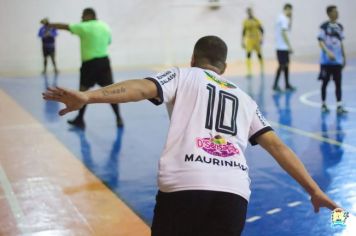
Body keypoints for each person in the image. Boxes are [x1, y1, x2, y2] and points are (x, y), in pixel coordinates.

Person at [43, 36, 339, 236]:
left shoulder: (183, 75)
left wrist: (87, 96)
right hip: (234, 194)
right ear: (223, 67)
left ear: (193, 59)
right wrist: (313, 189)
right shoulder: (245, 98)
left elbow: (140, 88)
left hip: (185, 185)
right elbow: (277, 145)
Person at [40, 8, 123, 129]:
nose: (81, 19)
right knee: (110, 92)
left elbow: (65, 26)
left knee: (82, 93)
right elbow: (108, 42)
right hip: (104, 63)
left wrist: (48, 24)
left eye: (83, 16)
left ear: (89, 16)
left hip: (89, 65)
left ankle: (80, 119)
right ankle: (118, 118)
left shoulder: (84, 27)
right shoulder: (105, 26)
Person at [318, 5, 347, 114]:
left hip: (337, 62)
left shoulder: (340, 26)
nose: (337, 13)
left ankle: (339, 105)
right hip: (326, 62)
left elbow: (341, 43)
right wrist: (328, 52)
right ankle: (323, 104)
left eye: (337, 11)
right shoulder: (324, 26)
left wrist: (344, 57)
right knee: (325, 82)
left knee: (338, 83)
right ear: (329, 13)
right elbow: (320, 42)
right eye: (335, 11)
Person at [273, 3, 295, 92]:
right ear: (286, 9)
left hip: (282, 47)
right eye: (289, 10)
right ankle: (275, 85)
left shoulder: (282, 18)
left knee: (286, 66)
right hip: (282, 47)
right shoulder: (283, 19)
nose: (290, 12)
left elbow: (288, 28)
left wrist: (291, 18)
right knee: (282, 65)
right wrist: (289, 46)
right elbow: (284, 33)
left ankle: (287, 84)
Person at [241, 7, 264, 77]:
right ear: (247, 13)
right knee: (248, 55)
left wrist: (261, 39)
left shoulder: (256, 20)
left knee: (259, 54)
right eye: (248, 12)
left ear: (252, 12)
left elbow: (262, 30)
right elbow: (243, 32)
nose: (249, 13)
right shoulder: (245, 21)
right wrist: (242, 41)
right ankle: (249, 72)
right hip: (249, 41)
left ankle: (262, 70)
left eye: (250, 11)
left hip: (256, 40)